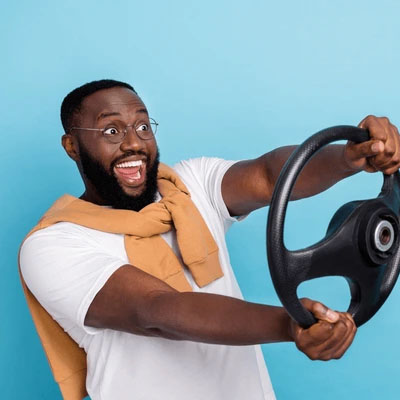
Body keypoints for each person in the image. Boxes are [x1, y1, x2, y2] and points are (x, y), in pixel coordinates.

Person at [19, 79, 400, 400]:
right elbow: (155, 310)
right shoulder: (53, 244)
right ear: (72, 146)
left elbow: (269, 176)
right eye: (112, 131)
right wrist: (288, 324)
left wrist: (350, 157)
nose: (134, 143)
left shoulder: (189, 186)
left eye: (143, 126)